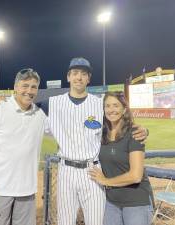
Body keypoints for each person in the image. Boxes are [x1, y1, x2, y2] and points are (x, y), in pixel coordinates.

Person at [46, 57, 149, 225]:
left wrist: (145, 131)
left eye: (83, 74)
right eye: (75, 73)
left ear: (88, 78)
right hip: (66, 170)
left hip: (92, 171)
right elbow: (25, 108)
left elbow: (120, 122)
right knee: (65, 221)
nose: (79, 77)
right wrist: (0, 102)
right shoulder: (52, 103)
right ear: (68, 77)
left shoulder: (99, 104)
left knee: (97, 221)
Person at [0, 68, 46, 225]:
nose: (29, 91)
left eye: (34, 87)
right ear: (16, 87)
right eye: (25, 85)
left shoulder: (40, 115)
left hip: (27, 193)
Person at [89, 92, 154, 225]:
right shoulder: (101, 134)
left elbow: (136, 176)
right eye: (107, 106)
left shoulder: (134, 133)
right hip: (111, 202)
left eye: (115, 105)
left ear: (124, 109)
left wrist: (105, 181)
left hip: (136, 202)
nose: (111, 110)